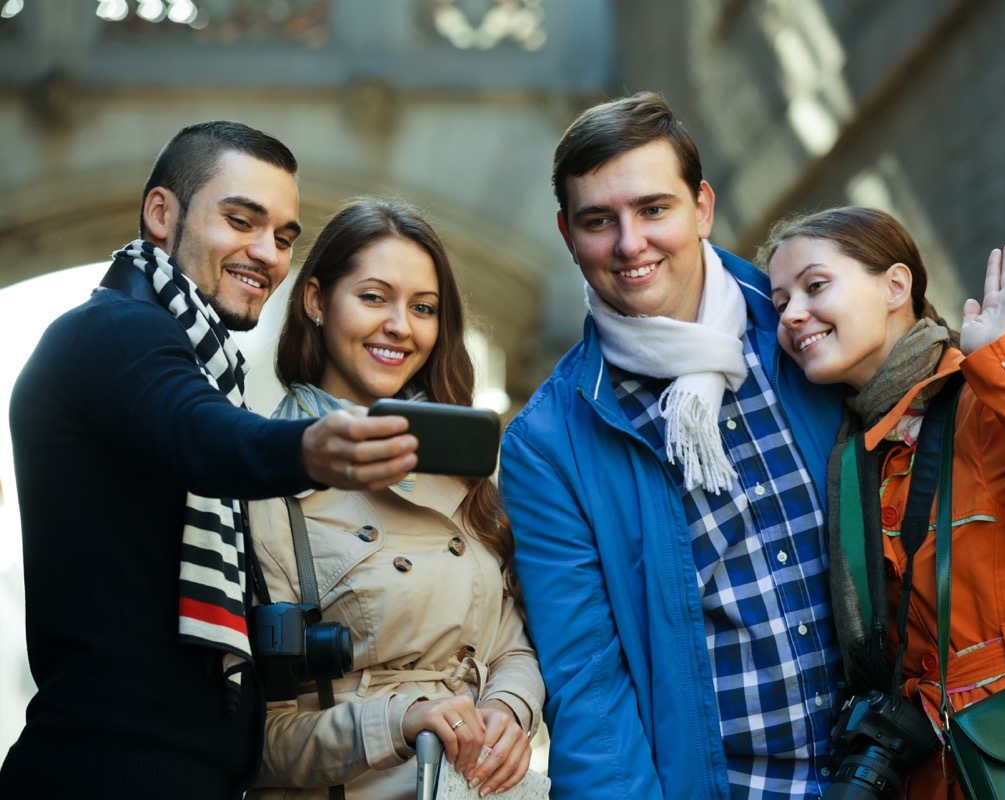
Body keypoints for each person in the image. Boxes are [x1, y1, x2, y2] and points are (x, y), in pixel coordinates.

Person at [0, 122, 421, 799]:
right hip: (106, 773)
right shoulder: (115, 333)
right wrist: (309, 447)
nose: (268, 254)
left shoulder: (196, 358)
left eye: (285, 236)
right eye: (241, 220)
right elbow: (205, 437)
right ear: (162, 213)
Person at [499, 92, 845, 799]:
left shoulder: (808, 328)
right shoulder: (547, 444)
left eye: (653, 209)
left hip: (901, 773)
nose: (630, 244)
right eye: (600, 221)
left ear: (702, 208)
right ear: (568, 235)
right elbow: (589, 688)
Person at [763, 206, 1005, 799]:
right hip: (932, 765)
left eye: (814, 286)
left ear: (896, 286)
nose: (791, 314)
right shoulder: (853, 451)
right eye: (779, 300)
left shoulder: (984, 398)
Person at [245, 198, 544, 800]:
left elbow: (512, 640)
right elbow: (256, 741)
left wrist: (511, 711)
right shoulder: (264, 485)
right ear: (315, 300)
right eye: (374, 297)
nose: (401, 326)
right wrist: (401, 720)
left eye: (423, 308)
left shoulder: (462, 472)